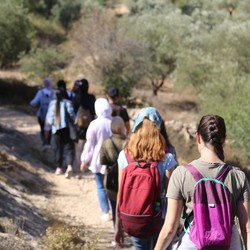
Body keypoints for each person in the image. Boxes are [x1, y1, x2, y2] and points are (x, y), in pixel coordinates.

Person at [154, 114, 250, 250]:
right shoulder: (238, 176)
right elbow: (247, 227)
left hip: (193, 243)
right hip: (229, 243)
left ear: (198, 137)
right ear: (223, 140)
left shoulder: (181, 174)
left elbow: (169, 229)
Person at [115, 107, 178, 250]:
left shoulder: (124, 156)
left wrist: (117, 226)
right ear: (158, 129)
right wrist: (176, 222)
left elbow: (121, 193)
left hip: (135, 218)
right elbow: (172, 195)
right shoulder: (167, 159)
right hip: (161, 218)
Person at [80, 98, 113, 221]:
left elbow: (90, 144)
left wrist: (84, 160)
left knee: (100, 186)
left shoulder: (94, 124)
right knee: (112, 187)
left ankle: (105, 212)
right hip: (112, 159)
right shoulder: (114, 122)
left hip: (98, 159)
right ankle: (116, 211)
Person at [100, 116, 127, 227]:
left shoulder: (106, 143)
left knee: (114, 205)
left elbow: (102, 161)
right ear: (123, 128)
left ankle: (117, 230)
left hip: (111, 181)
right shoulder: (129, 142)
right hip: (126, 179)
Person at [45, 87, 76, 179]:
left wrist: (49, 127)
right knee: (69, 148)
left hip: (56, 130)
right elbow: (72, 116)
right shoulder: (68, 103)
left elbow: (49, 119)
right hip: (67, 129)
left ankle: (59, 168)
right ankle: (69, 166)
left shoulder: (52, 104)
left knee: (58, 149)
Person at [73, 79, 96, 172]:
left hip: (79, 124)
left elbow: (74, 109)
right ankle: (89, 163)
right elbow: (94, 111)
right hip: (91, 124)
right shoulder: (91, 97)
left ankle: (80, 164)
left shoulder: (76, 97)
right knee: (90, 143)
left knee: (79, 145)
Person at [30, 76, 54, 147]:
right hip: (51, 115)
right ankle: (48, 142)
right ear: (51, 83)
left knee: (42, 128)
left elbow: (33, 102)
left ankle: (44, 142)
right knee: (49, 128)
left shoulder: (40, 92)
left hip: (41, 114)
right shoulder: (54, 93)